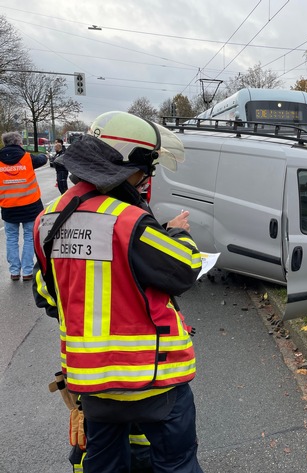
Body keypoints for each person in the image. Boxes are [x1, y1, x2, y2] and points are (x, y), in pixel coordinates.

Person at [32, 111, 204, 473]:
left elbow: (47, 297)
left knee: (104, 466)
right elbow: (184, 269)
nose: (145, 180)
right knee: (176, 464)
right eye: (146, 170)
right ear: (124, 161)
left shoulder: (47, 219)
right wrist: (177, 233)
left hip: (91, 383)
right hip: (153, 381)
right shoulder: (128, 221)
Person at [0, 131, 47, 281]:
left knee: (11, 239)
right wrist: (46, 155)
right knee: (29, 238)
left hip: (8, 207)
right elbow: (42, 159)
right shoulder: (28, 158)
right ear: (19, 143)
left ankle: (14, 271)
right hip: (30, 207)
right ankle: (27, 271)